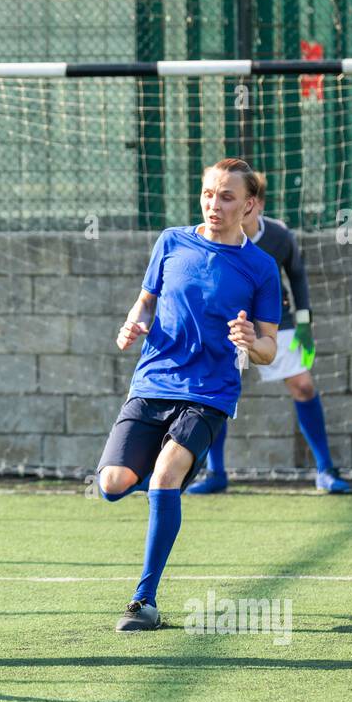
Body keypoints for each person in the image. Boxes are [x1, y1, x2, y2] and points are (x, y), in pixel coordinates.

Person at [95, 158, 281, 631]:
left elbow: (268, 346)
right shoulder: (171, 241)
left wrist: (249, 342)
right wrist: (135, 321)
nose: (214, 204)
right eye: (207, 194)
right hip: (153, 382)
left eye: (227, 197)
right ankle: (167, 491)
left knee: (165, 474)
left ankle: (144, 601)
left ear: (249, 205)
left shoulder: (261, 267)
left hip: (211, 393)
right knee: (112, 485)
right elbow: (147, 298)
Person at [187, 171, 349, 494]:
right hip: (227, 324)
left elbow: (298, 276)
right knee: (214, 397)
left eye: (244, 201)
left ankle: (325, 470)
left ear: (256, 204)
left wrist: (304, 324)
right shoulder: (211, 235)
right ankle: (215, 473)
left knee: (303, 385)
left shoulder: (278, 236)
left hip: (274, 320)